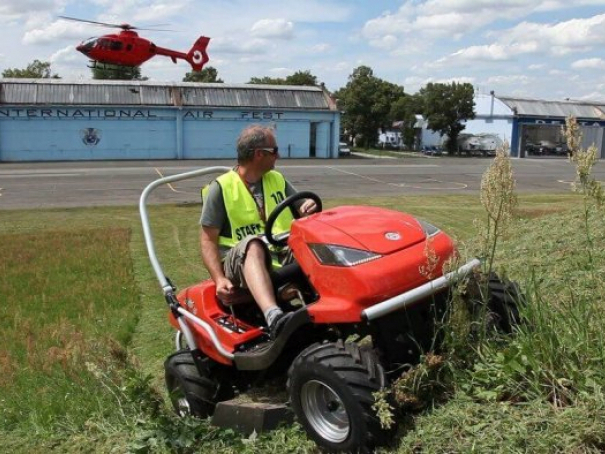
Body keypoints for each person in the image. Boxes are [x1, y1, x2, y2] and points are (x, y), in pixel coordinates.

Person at [200, 125, 317, 338]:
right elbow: (208, 240)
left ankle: (326, 304)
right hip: (240, 261)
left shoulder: (277, 179)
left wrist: (307, 205)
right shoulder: (221, 188)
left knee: (315, 240)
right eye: (274, 150)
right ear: (258, 154)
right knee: (253, 244)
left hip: (280, 251)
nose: (278, 155)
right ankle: (274, 315)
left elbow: (301, 206)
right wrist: (218, 279)